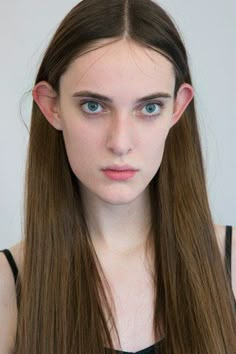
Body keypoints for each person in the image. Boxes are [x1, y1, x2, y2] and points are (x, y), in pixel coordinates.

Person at [0, 0, 235, 353]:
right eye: (94, 106)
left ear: (178, 107)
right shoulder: (7, 286)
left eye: (149, 107)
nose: (120, 142)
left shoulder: (231, 264)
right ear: (51, 106)